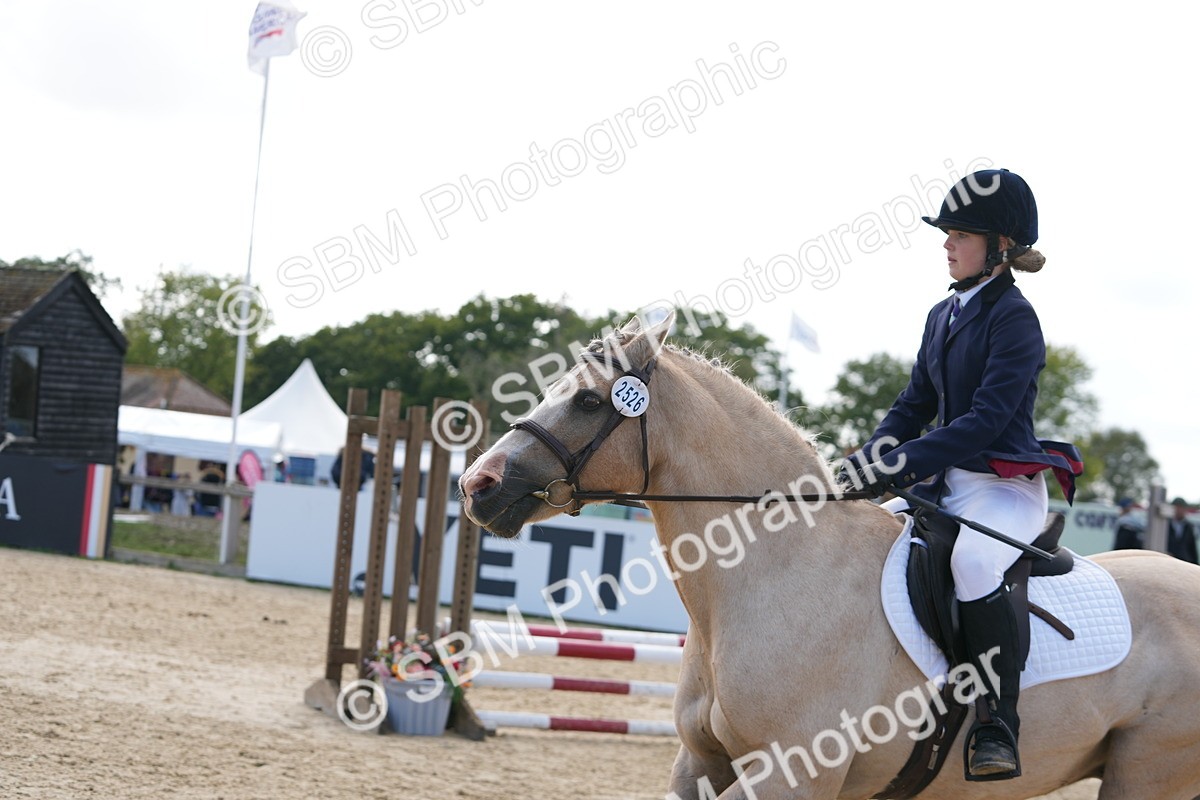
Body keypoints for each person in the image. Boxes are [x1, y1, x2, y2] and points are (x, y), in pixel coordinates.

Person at [839, 169, 1082, 779]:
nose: (947, 243)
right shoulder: (942, 314)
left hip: (1001, 487)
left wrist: (899, 464)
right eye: (947, 233)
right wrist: (867, 459)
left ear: (1000, 246)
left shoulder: (1015, 319)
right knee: (859, 535)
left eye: (961, 234)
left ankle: (998, 723)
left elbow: (983, 423)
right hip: (945, 485)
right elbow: (913, 404)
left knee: (973, 563)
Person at [1166, 497, 1198, 564]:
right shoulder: (1166, 525)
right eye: (1177, 507)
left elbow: (1192, 547)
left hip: (1185, 562)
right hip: (1169, 561)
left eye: (1181, 508)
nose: (1179, 510)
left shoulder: (1189, 526)